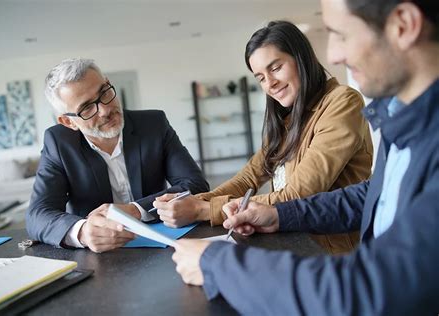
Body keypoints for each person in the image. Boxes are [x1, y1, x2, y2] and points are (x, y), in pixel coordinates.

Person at [172, 0, 439, 314]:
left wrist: (215, 260)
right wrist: (277, 214)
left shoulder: (348, 103)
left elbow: (368, 288)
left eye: (341, 35)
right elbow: (370, 195)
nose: (333, 55)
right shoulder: (400, 116)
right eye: (260, 76)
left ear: (403, 25)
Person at [154, 20, 373, 254]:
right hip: (291, 242)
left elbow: (297, 196)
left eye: (276, 68)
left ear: (302, 59)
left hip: (334, 254)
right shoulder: (288, 119)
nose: (270, 83)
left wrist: (202, 210)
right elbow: (247, 179)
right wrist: (192, 201)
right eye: (260, 77)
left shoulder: (342, 102)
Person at [26, 58, 209, 253]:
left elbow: (194, 184)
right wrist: (82, 232)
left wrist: (135, 210)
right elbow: (38, 215)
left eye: (104, 92)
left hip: (164, 243)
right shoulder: (58, 143)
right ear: (68, 122)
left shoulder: (154, 124)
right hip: (100, 257)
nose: (105, 110)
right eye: (87, 108)